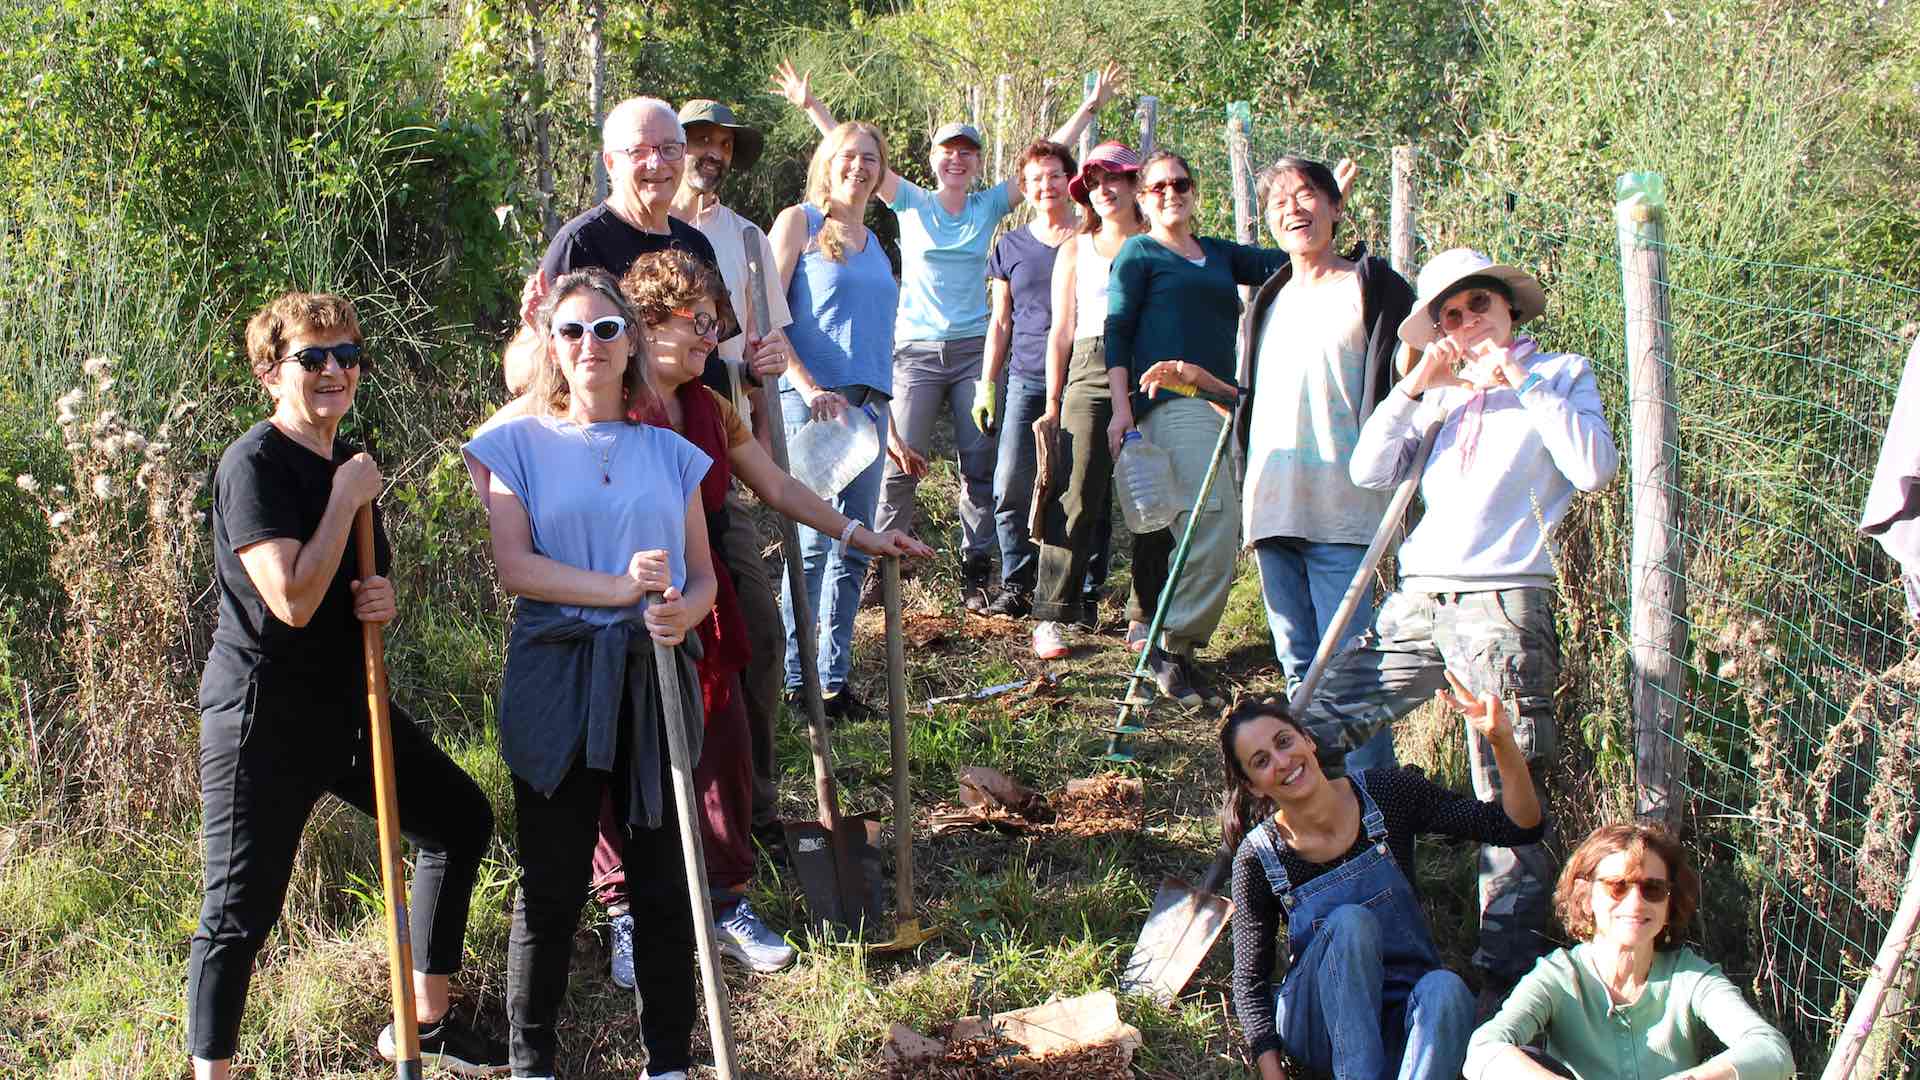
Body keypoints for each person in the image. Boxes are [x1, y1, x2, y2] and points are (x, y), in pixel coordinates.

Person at [188, 293, 506, 1078]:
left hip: (346, 705)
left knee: (460, 819)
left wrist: (381, 599)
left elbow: (359, 584)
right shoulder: (255, 464)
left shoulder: (344, 464)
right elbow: (291, 598)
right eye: (312, 357)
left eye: (348, 356)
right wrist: (344, 498)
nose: (334, 370)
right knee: (238, 914)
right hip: (262, 716)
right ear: (270, 372)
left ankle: (422, 1023)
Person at [1295, 246, 1621, 1005]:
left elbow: (1593, 468)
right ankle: (1326, 889)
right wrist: (1418, 383)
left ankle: (1503, 973)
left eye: (1480, 307)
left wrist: (1519, 380)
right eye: (1452, 314)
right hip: (1418, 601)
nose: (1468, 322)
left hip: (1502, 606)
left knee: (1507, 785)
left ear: (1509, 311)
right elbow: (1369, 469)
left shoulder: (1559, 375)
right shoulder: (1440, 395)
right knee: (1311, 729)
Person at [610, 250, 931, 974]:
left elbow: (780, 488)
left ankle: (724, 904)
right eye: (698, 322)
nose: (712, 337)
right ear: (647, 320)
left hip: (706, 592)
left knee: (724, 742)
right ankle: (628, 912)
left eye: (716, 323)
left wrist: (861, 534)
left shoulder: (711, 406)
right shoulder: (605, 401)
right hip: (619, 602)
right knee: (630, 753)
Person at [463, 268, 717, 1080]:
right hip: (558, 675)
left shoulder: (672, 453)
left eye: (606, 330)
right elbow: (515, 567)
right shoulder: (516, 445)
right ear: (549, 343)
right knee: (552, 881)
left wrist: (685, 613)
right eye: (570, 331)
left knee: (662, 881)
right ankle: (531, 1064)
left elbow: (704, 575)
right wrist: (617, 590)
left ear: (631, 341)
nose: (589, 346)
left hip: (653, 678)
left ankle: (669, 1063)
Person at [772, 60, 1120, 612]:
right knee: (894, 462)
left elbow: (1044, 160)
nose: (956, 158)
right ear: (933, 160)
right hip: (912, 353)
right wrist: (810, 106)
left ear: (978, 164)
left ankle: (975, 569)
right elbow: (850, 159)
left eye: (967, 151)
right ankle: (875, 561)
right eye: (947, 150)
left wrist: (1088, 110)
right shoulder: (910, 201)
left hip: (972, 351)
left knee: (976, 465)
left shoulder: (988, 207)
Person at [1146, 154, 1395, 773]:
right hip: (1274, 507)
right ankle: (1325, 822)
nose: (1294, 209)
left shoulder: (1372, 287)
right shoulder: (1268, 299)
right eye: (1280, 201)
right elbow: (1255, 407)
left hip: (1346, 509)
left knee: (1351, 680)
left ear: (1336, 207)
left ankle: (1381, 836)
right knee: (1300, 673)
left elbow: (1406, 386)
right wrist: (1202, 382)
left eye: (1308, 195)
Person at [1224, 673, 1542, 1080]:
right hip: (1319, 1026)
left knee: (1446, 989)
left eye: (1284, 742)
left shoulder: (1388, 793)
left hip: (1403, 1010)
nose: (1282, 762)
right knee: (1350, 923)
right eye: (1261, 761)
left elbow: (1519, 828)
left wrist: (1500, 740)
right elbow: (1249, 982)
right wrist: (1274, 1075)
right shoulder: (1260, 856)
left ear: (1308, 740)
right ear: (1253, 787)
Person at [1104, 150, 1292, 708]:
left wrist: (1325, 210)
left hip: (1219, 400)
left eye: (1179, 183)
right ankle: (1168, 645)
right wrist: (1120, 409)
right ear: (1141, 196)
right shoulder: (1138, 252)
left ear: (1194, 191)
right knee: (1212, 518)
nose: (1170, 194)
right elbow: (1117, 334)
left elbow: (1282, 262)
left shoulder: (1216, 254)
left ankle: (1173, 646)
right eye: (1157, 187)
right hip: (1169, 396)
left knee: (1214, 523)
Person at [1465, 823, 1795, 1079]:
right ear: (1586, 897)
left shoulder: (1690, 977)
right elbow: (1483, 1050)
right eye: (1617, 886)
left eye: (1653, 888)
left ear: (1669, 902)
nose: (1635, 903)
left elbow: (1771, 1049)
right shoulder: (1559, 976)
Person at [766, 121, 900, 717]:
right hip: (814, 402)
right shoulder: (801, 223)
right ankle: (797, 683)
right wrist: (808, 385)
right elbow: (764, 312)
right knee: (814, 545)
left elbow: (875, 341)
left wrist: (888, 426)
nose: (859, 167)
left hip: (869, 410)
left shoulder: (878, 244)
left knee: (855, 548)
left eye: (870, 158)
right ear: (827, 161)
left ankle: (834, 682)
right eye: (848, 156)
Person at [1028, 140, 1144, 658]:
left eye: (1113, 179)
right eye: (1094, 183)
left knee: (1149, 496)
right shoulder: (1075, 248)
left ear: (1134, 183)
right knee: (1074, 492)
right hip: (1089, 366)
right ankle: (1052, 613)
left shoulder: (1156, 239)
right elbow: (1061, 330)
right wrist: (1054, 402)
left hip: (1151, 365)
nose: (1104, 191)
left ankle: (1145, 616)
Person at [977, 139, 1081, 620]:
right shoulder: (1011, 246)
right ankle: (1016, 583)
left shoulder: (1090, 240)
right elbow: (1000, 321)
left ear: (1070, 180)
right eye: (1036, 178)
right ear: (1025, 186)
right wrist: (987, 383)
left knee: (1074, 488)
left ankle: (1076, 591)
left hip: (1082, 379)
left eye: (1055, 175)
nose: (1046, 185)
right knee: (1010, 484)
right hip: (1025, 376)